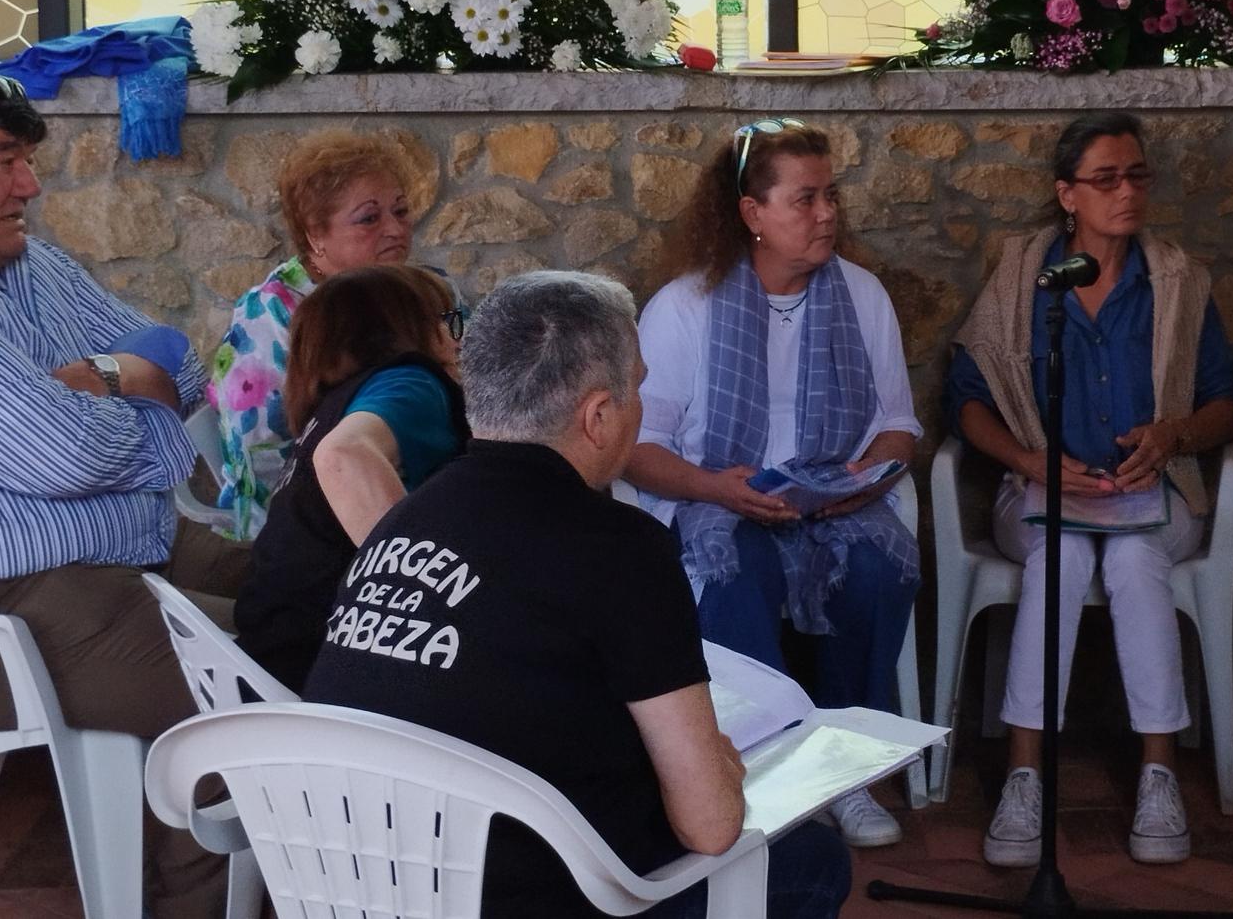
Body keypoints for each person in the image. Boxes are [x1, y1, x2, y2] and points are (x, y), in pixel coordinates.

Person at [308, 271, 853, 918]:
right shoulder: (621, 547)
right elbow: (710, 825)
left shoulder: (403, 518)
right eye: (638, 390)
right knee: (813, 861)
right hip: (531, 896)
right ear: (597, 416)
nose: (640, 409)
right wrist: (722, 770)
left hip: (356, 888)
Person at [0, 67, 243, 919]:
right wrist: (123, 392)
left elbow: (179, 364)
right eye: (5, 162)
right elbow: (60, 455)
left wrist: (95, 378)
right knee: (244, 686)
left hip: (124, 543)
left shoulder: (31, 265)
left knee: (312, 593)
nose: (31, 184)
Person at [949, 111, 1233, 867]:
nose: (1127, 192)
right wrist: (1028, 457)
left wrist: (1172, 435)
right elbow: (966, 396)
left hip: (1155, 494)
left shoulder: (1175, 282)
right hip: (1041, 492)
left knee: (1134, 561)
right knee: (1061, 557)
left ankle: (1157, 776)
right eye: (1106, 178)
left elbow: (1227, 403)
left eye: (1137, 175)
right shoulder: (1025, 280)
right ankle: (1025, 777)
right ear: (1067, 195)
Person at [623, 119, 922, 848]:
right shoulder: (686, 306)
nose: (826, 214)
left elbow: (898, 423)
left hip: (833, 496)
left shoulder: (862, 294)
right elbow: (638, 447)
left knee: (881, 572)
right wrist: (716, 489)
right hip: (719, 495)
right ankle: (768, 768)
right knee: (733, 577)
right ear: (752, 214)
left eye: (830, 196)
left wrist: (864, 474)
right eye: (805, 199)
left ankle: (846, 776)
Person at [233, 263, 468, 691]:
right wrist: (429, 597)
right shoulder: (411, 381)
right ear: (410, 330)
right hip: (322, 683)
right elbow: (343, 456)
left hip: (274, 663)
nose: (458, 339)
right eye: (450, 321)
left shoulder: (333, 405)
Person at [209, 129, 415, 537]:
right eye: (370, 218)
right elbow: (263, 454)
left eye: (402, 211)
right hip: (308, 522)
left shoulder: (416, 289)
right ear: (314, 235)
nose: (396, 229)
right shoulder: (272, 314)